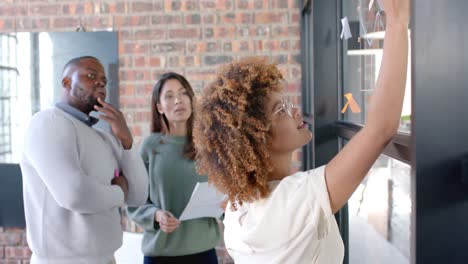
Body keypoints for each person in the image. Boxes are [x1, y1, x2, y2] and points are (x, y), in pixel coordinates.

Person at [192, 0, 409, 263]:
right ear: (257, 138)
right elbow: (380, 129)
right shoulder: (291, 202)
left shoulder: (240, 209)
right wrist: (397, 20)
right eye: (281, 109)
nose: (295, 111)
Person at [20, 56, 148, 264]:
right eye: (91, 75)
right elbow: (75, 194)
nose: (100, 82)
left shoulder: (106, 138)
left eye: (104, 81)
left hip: (107, 259)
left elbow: (139, 196)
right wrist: (119, 193)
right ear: (66, 82)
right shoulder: (47, 122)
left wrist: (126, 141)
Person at [127, 72, 221, 264]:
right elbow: (133, 201)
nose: (178, 100)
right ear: (159, 107)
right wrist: (156, 215)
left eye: (183, 93)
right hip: (161, 256)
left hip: (203, 253)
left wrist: (227, 205)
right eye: (169, 96)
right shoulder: (150, 147)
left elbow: (225, 196)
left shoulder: (208, 145)